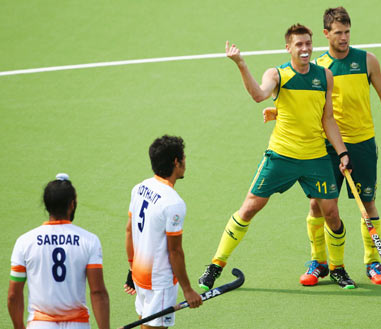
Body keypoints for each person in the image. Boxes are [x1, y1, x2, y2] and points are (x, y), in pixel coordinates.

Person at [198, 24, 356, 290]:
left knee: (332, 214)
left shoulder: (324, 76)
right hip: (281, 156)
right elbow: (259, 95)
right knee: (249, 208)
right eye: (299, 45)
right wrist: (240, 64)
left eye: (308, 43)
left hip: (316, 156)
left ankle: (338, 269)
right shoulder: (278, 74)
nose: (305, 49)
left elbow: (327, 118)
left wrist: (342, 152)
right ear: (288, 47)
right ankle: (215, 266)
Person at [265, 7, 381, 286]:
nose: (344, 38)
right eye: (338, 33)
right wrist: (276, 113)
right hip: (328, 147)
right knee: (318, 204)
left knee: (367, 202)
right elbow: (303, 103)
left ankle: (372, 263)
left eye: (347, 32)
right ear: (326, 34)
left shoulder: (367, 61)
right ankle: (319, 262)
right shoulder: (319, 67)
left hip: (363, 143)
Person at [7, 174, 110, 329]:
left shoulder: (25, 241)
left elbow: (13, 296)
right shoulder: (89, 240)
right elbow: (98, 292)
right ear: (72, 205)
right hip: (78, 325)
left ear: (46, 205)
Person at [124, 135, 202, 328]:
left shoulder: (140, 187)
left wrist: (132, 268)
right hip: (160, 282)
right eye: (184, 158)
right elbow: (174, 251)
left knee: (145, 324)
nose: (185, 162)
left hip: (139, 276)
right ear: (176, 162)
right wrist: (188, 290)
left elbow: (129, 230)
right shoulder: (173, 203)